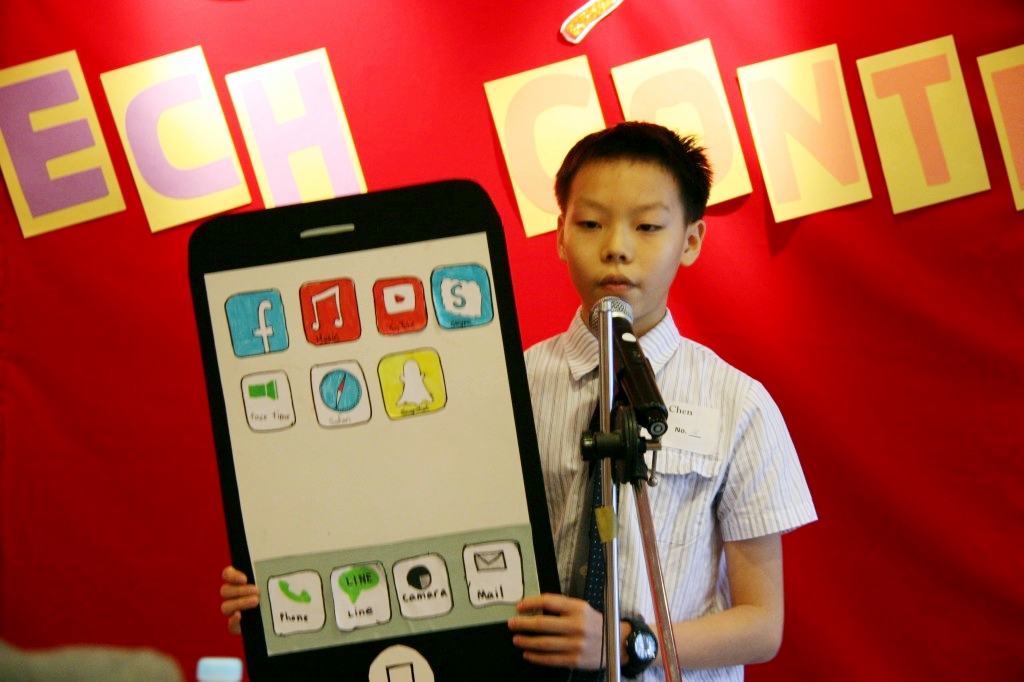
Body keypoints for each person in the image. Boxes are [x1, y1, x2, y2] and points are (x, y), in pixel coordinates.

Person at [220, 122, 817, 680]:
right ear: (560, 234)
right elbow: (416, 532)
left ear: (690, 241)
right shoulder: (502, 384)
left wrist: (624, 643)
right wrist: (288, 587)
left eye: (647, 227)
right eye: (591, 224)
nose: (616, 247)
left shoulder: (738, 405)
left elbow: (761, 624)